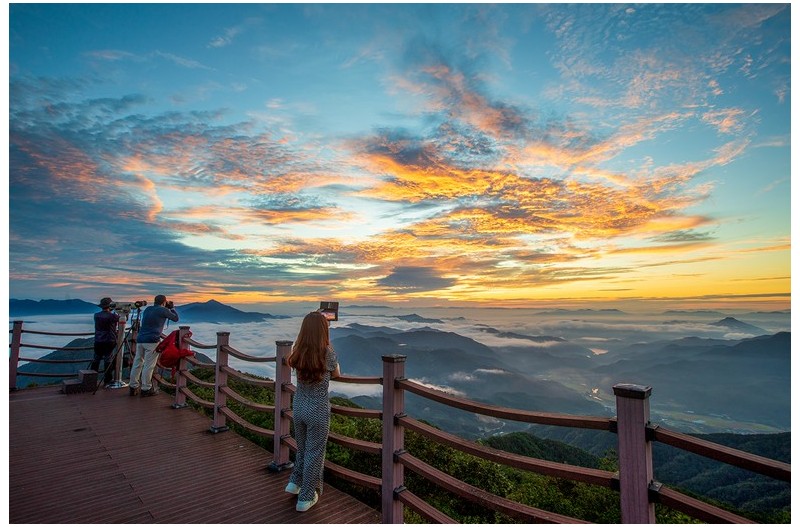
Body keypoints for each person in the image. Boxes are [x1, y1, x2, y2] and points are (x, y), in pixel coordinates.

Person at [284, 311, 341, 512]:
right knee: (315, 453)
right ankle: (306, 497)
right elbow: (336, 373)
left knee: (302, 448)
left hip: (299, 405)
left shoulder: (297, 350)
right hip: (317, 409)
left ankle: (294, 482)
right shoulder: (327, 352)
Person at [129, 294, 178, 397]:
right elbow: (175, 318)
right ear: (164, 302)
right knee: (149, 365)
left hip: (140, 338)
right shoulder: (163, 310)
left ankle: (133, 387)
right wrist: (172, 308)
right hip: (152, 340)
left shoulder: (147, 309)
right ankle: (146, 389)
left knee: (137, 362)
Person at [90, 297, 121, 386]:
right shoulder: (112, 316)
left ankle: (91, 379)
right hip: (109, 340)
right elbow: (123, 319)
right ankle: (107, 380)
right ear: (110, 306)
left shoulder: (96, 315)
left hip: (98, 340)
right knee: (108, 359)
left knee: (96, 359)